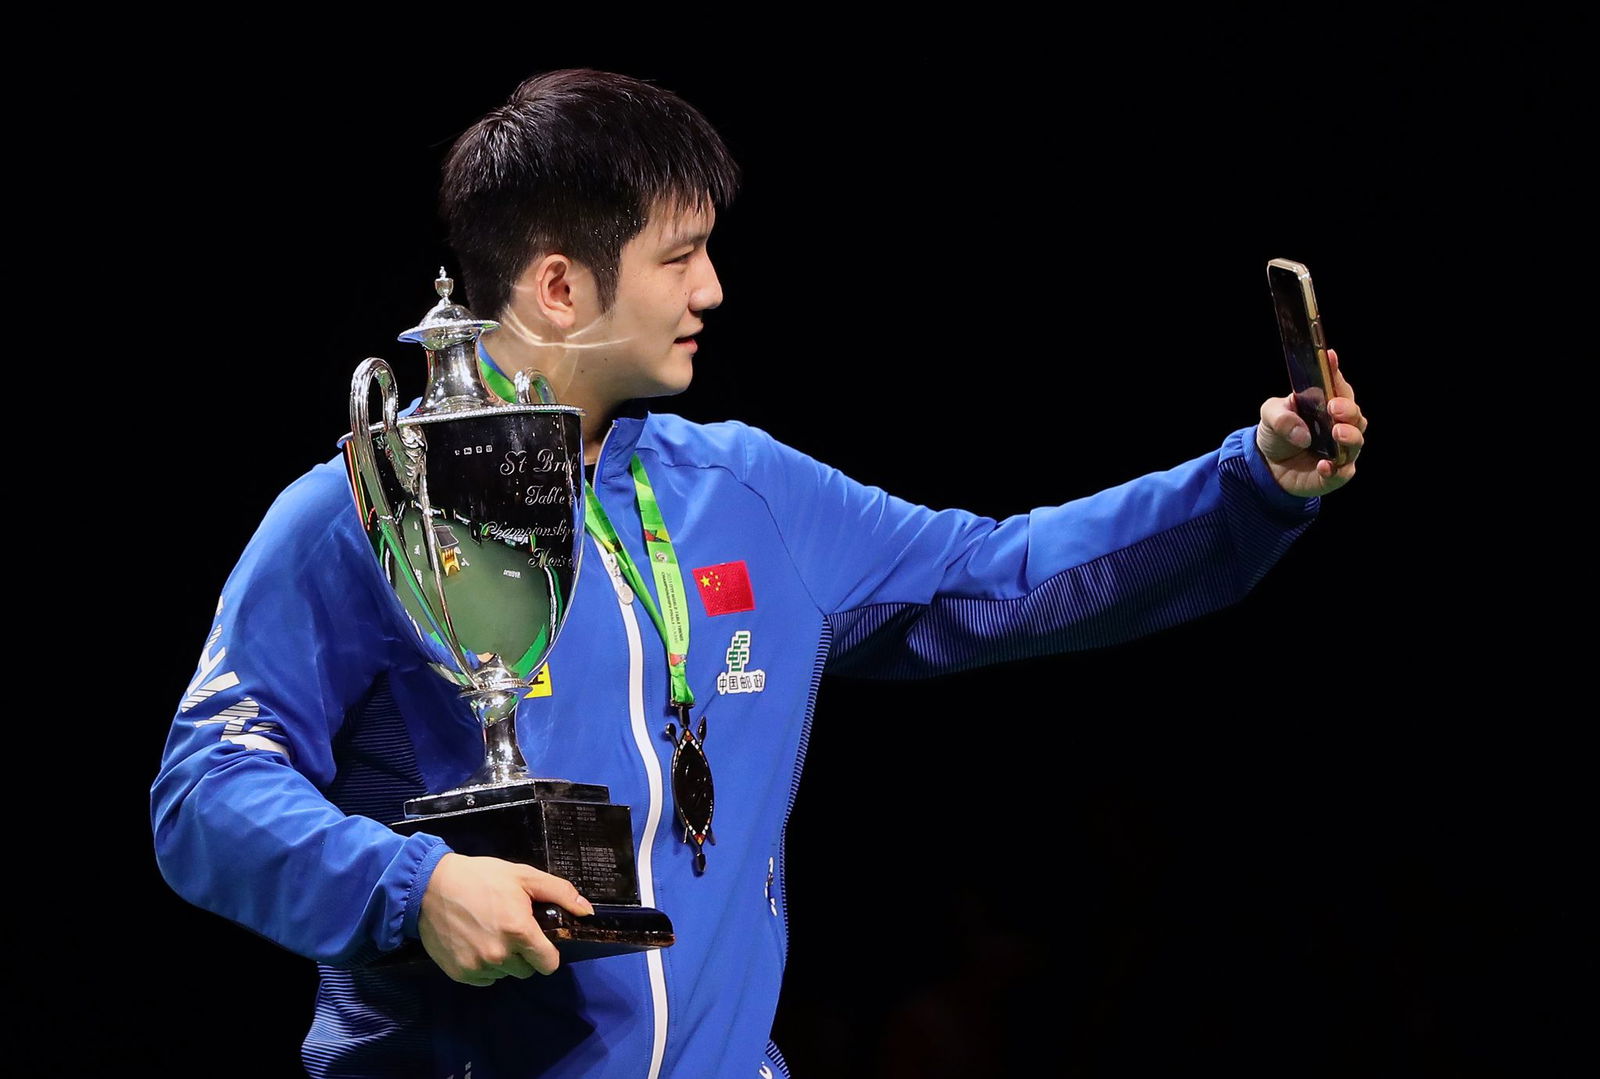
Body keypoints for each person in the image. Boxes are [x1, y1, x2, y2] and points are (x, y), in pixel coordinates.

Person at [152, 68, 1366, 1079]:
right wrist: (413, 886)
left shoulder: (745, 490)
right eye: (679, 258)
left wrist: (1249, 481)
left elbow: (999, 573)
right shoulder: (358, 512)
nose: (713, 291)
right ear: (561, 284)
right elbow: (205, 787)